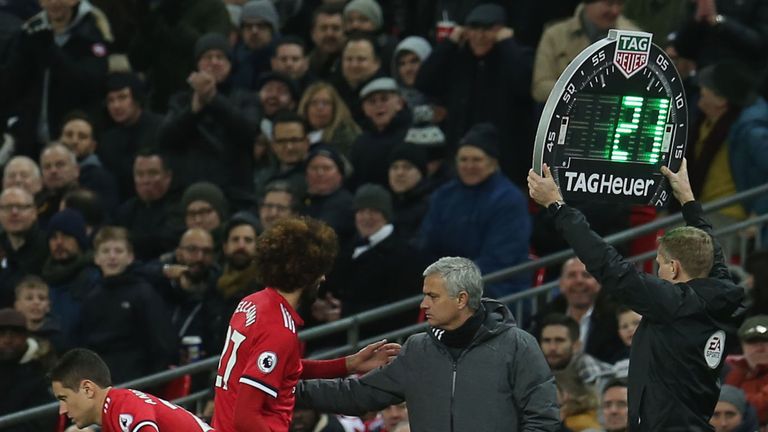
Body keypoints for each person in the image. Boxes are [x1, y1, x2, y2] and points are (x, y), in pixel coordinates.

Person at [527, 159, 745, 430]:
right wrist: (687, 199)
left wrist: (558, 207)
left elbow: (608, 265)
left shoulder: (671, 303)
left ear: (674, 268)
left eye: (660, 265)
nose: (658, 272)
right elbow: (713, 250)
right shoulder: (723, 295)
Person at [297, 256, 560, 431]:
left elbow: (543, 420)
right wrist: (289, 388)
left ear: (461, 299)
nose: (423, 305)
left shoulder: (517, 346)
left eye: (432, 296)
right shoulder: (417, 350)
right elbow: (356, 395)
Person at [213, 217, 399, 431]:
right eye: (319, 270)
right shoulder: (278, 329)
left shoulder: (252, 303)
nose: (323, 279)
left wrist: (349, 364)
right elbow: (245, 417)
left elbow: (284, 366)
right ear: (304, 272)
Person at [50, 348, 214, 431]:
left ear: (87, 389)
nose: (62, 411)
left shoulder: (125, 406)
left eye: (64, 399)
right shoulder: (115, 411)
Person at [724, 315, 768, 426]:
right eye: (752, 341)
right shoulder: (731, 371)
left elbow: (761, 409)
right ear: (742, 346)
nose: (760, 347)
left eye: (766, 340)